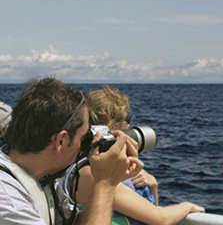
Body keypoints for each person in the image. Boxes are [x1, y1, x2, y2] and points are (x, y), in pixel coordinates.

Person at [0, 77, 144, 225]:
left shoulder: (40, 177)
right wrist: (105, 184)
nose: (84, 148)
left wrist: (109, 180)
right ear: (62, 141)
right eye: (84, 138)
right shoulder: (8, 200)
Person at [63, 85, 204, 225]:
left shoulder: (103, 170)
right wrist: (188, 206)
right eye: (125, 119)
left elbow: (147, 216)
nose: (128, 125)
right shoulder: (92, 174)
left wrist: (152, 186)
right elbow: (161, 219)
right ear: (109, 128)